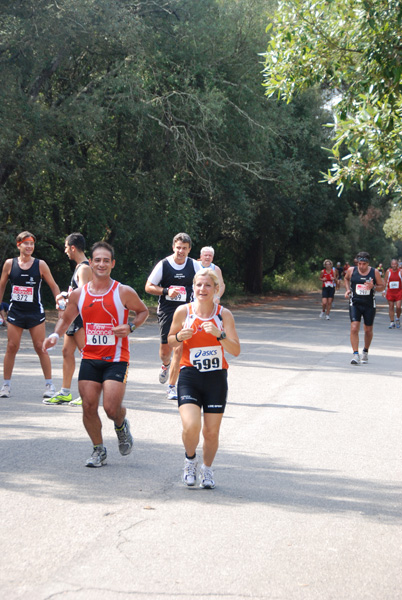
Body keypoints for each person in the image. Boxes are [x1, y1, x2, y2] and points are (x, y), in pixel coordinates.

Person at [43, 241, 149, 467]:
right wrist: (55, 335)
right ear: (90, 263)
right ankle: (98, 449)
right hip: (90, 357)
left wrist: (130, 327)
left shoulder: (123, 291)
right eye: (97, 260)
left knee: (111, 409)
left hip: (117, 358)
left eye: (106, 260)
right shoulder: (79, 294)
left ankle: (121, 425)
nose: (101, 264)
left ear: (113, 264)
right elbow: (67, 318)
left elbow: (143, 311)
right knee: (89, 406)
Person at [168, 269, 240, 488]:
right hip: (190, 375)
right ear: (193, 287)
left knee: (211, 432)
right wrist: (180, 336)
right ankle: (190, 460)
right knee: (191, 426)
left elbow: (235, 350)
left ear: (215, 289)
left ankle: (207, 470)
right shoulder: (183, 312)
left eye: (207, 285)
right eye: (199, 285)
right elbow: (170, 340)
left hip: (216, 378)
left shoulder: (223, 315)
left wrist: (220, 335)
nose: (202, 289)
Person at [0, 231, 60, 399]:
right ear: (19, 245)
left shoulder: (40, 265)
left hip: (35, 313)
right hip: (16, 313)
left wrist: (59, 302)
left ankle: (49, 385)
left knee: (41, 347)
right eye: (26, 243)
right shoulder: (9, 264)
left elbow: (54, 286)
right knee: (12, 346)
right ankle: (6, 385)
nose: (29, 247)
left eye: (32, 244)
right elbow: (1, 286)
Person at [145, 232, 202, 400]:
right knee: (165, 351)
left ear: (189, 249)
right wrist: (166, 291)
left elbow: (205, 283)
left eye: (184, 248)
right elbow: (148, 286)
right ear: (173, 247)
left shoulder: (194, 266)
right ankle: (165, 365)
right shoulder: (164, 265)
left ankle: (171, 387)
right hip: (168, 311)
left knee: (179, 348)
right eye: (178, 248)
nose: (181, 251)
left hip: (187, 312)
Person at [43, 233, 92, 406]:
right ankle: (65, 392)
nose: (65, 251)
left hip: (81, 318)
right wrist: (64, 299)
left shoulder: (85, 268)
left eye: (65, 247)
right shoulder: (79, 267)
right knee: (66, 352)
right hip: (73, 317)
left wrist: (66, 299)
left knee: (87, 356)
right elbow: (75, 293)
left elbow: (86, 296)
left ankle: (87, 394)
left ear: (73, 247)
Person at [344, 251, 384, 365]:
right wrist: (348, 289)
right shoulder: (351, 270)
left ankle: (365, 351)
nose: (361, 266)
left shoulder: (374, 272)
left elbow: (382, 286)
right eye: (359, 264)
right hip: (355, 303)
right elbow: (346, 279)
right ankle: (355, 354)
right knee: (354, 327)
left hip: (369, 304)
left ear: (368, 263)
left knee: (368, 330)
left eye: (364, 264)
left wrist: (374, 286)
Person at [382, 259, 402, 329]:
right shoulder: (388, 271)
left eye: (395, 264)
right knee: (391, 306)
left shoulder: (400, 271)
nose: (394, 265)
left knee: (399, 307)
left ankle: (398, 319)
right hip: (390, 292)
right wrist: (383, 291)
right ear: (391, 265)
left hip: (399, 292)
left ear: (397, 264)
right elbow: (385, 281)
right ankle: (392, 321)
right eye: (393, 264)